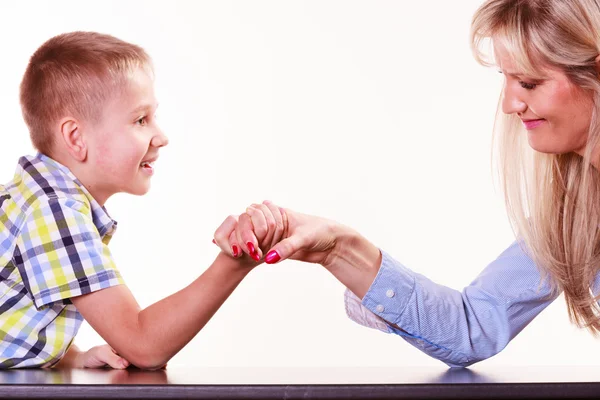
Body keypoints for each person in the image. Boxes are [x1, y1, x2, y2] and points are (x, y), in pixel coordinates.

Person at [214, 0, 600, 367]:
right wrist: (338, 247)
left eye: (529, 83)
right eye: (507, 79)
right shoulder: (579, 211)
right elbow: (473, 327)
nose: (509, 105)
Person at [0, 31, 267, 369]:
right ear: (76, 138)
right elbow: (144, 346)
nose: (162, 136)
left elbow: (11, 314)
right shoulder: (54, 210)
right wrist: (234, 263)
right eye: (141, 119)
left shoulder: (31, 197)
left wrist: (70, 358)